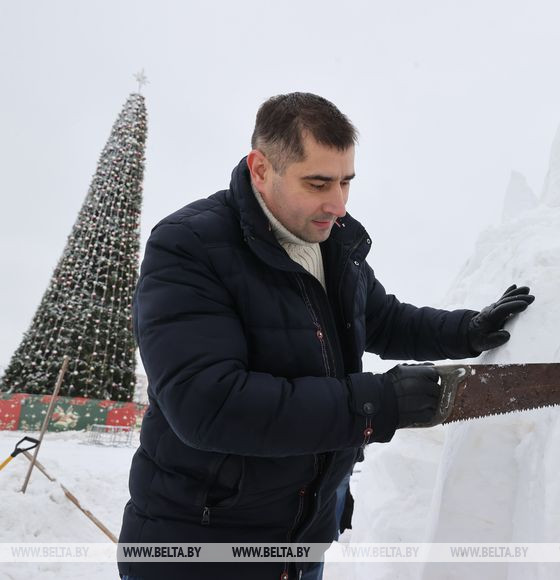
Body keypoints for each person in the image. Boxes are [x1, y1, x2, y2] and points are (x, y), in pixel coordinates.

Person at [117, 92, 534, 580]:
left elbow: (380, 318)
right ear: (260, 169)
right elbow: (208, 405)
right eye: (317, 183)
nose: (336, 203)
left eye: (345, 182)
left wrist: (465, 330)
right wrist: (377, 404)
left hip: (300, 543)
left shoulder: (331, 241)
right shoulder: (189, 246)